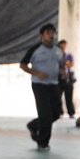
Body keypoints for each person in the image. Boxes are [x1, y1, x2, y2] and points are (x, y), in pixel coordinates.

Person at [20, 23, 65, 151]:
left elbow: (62, 65)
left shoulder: (59, 50)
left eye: (53, 33)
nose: (51, 35)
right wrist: (37, 73)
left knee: (56, 113)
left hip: (54, 84)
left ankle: (34, 125)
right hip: (39, 86)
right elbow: (23, 65)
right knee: (45, 114)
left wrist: (63, 72)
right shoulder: (35, 49)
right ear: (42, 35)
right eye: (48, 33)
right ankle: (43, 143)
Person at [58, 39, 76, 118]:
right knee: (58, 96)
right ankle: (59, 112)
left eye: (65, 46)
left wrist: (65, 64)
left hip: (68, 77)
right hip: (59, 77)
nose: (63, 47)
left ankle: (71, 113)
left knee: (69, 96)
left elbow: (71, 64)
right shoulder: (57, 56)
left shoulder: (69, 55)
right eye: (62, 46)